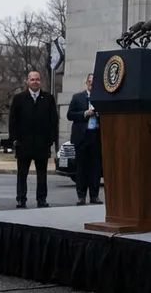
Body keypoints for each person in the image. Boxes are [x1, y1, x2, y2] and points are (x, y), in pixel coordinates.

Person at [9, 71, 58, 209]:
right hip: (23, 143)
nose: (35, 82)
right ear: (27, 81)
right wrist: (15, 139)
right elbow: (13, 121)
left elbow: (53, 120)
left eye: (37, 79)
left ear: (40, 81)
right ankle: (21, 199)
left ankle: (41, 199)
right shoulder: (19, 98)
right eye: (32, 79)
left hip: (42, 143)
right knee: (22, 173)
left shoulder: (48, 98)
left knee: (42, 174)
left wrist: (51, 139)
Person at [67, 73, 103, 205]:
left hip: (96, 135)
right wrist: (84, 114)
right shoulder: (77, 97)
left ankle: (94, 195)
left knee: (95, 167)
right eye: (90, 82)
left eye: (94, 83)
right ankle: (81, 196)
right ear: (86, 83)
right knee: (82, 168)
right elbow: (70, 115)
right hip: (82, 136)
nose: (92, 85)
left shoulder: (102, 98)